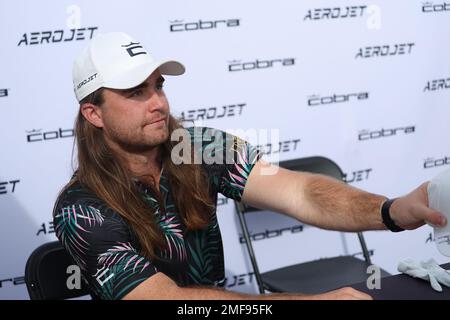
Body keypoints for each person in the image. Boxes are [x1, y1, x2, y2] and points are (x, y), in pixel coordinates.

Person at [53, 32, 447, 300]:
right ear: (94, 113)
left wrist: (390, 210)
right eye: (136, 92)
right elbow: (167, 299)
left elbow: (298, 191)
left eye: (158, 86)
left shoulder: (199, 145)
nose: (158, 102)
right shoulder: (80, 208)